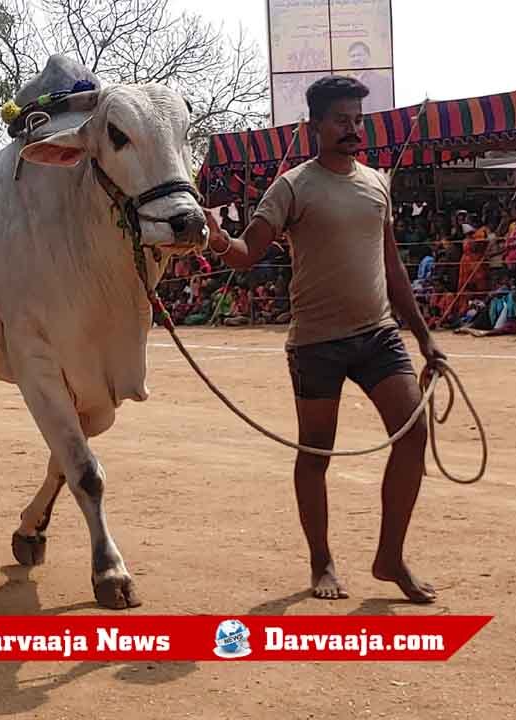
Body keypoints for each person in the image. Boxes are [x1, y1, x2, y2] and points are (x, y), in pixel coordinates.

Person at [204, 75, 444, 603]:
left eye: (358, 119)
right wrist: (218, 239)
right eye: (341, 119)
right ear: (314, 125)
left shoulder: (377, 183)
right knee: (316, 454)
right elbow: (246, 252)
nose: (353, 129)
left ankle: (390, 558)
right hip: (317, 343)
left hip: (379, 334)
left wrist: (425, 338)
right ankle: (322, 561)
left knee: (412, 434)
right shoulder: (292, 186)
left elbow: (392, 266)